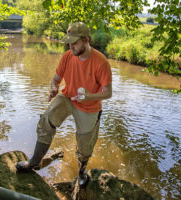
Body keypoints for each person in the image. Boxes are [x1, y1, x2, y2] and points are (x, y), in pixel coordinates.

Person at [16, 22, 112, 188]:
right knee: (46, 119)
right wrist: (53, 89)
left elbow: (108, 92)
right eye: (69, 42)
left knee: (85, 143)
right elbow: (55, 80)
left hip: (89, 106)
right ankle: (34, 162)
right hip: (68, 97)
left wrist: (90, 96)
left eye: (75, 42)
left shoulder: (101, 62)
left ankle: (82, 170)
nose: (71, 46)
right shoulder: (67, 56)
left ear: (87, 40)